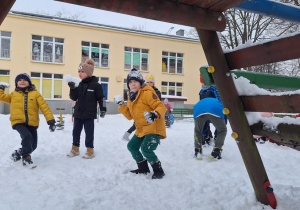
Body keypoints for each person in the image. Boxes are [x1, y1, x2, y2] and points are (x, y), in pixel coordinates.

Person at [114, 68, 166, 179]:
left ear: (140, 83)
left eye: (135, 82)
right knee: (132, 146)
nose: (133, 84)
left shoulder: (147, 93)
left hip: (154, 127)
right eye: (130, 82)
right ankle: (143, 168)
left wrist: (155, 114)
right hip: (141, 128)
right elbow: (129, 116)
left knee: (146, 149)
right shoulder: (131, 97)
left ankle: (158, 170)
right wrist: (121, 105)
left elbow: (161, 106)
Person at [0, 73, 56, 167]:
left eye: (25, 80)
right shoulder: (13, 94)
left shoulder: (36, 94)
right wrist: (1, 88)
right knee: (27, 136)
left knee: (33, 146)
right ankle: (26, 157)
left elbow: (44, 107)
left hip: (32, 123)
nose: (22, 82)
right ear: (16, 83)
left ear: (29, 83)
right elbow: (1, 97)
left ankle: (18, 153)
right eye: (20, 80)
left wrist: (51, 121)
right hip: (18, 122)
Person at [67, 59, 106, 159]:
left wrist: (103, 108)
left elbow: (101, 98)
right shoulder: (78, 84)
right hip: (78, 113)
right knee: (75, 131)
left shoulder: (96, 85)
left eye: (82, 72)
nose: (80, 73)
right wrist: (72, 88)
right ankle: (75, 149)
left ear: (88, 73)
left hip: (89, 114)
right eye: (79, 71)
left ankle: (90, 150)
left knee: (89, 132)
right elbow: (73, 97)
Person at [122, 74, 162, 141]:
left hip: (151, 114)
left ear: (153, 83)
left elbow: (158, 103)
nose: (149, 84)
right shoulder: (141, 91)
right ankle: (128, 134)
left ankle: (130, 134)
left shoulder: (156, 91)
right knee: (137, 124)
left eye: (151, 82)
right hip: (141, 112)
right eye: (148, 82)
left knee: (142, 125)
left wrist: (155, 112)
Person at [199, 74, 222, 146]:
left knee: (219, 123)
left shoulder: (214, 89)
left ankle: (217, 136)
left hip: (214, 110)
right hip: (205, 110)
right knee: (203, 121)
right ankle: (205, 136)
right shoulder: (201, 91)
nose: (204, 84)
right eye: (202, 82)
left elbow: (219, 99)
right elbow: (201, 101)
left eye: (205, 82)